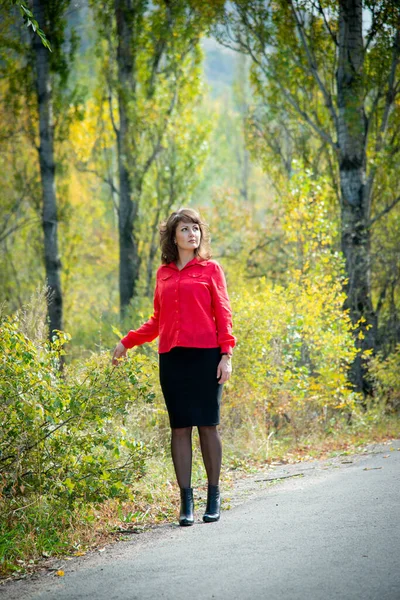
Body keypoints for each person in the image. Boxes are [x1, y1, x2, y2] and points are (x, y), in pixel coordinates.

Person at [112, 208, 236, 526]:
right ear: (173, 236)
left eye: (196, 228)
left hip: (207, 356)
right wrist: (127, 341)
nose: (192, 234)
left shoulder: (211, 269)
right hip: (173, 359)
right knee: (180, 427)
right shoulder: (164, 273)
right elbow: (157, 320)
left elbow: (223, 313)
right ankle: (186, 503)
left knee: (208, 425)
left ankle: (213, 497)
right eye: (184, 229)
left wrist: (226, 355)